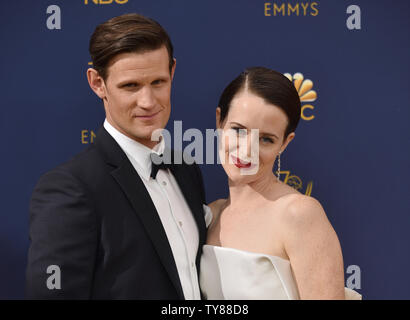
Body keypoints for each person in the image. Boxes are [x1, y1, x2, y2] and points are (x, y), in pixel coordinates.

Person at [26, 13, 207, 299]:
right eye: (130, 86)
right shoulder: (70, 189)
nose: (148, 102)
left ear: (172, 72)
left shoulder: (186, 168)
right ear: (98, 83)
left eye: (158, 82)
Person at [199, 67, 362, 300]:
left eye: (266, 139)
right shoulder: (211, 216)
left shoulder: (298, 215)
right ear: (219, 120)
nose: (246, 150)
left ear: (285, 143)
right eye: (238, 130)